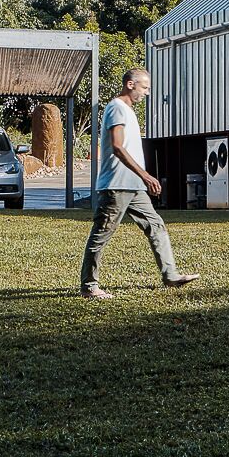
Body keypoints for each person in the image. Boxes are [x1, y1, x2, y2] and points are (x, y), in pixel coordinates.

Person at [79, 66, 198, 298]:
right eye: (144, 87)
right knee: (101, 234)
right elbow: (117, 147)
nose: (147, 93)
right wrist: (145, 175)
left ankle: (170, 275)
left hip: (134, 186)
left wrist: (141, 179)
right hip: (116, 185)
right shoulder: (117, 108)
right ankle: (89, 286)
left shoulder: (129, 111)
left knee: (156, 225)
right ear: (130, 84)